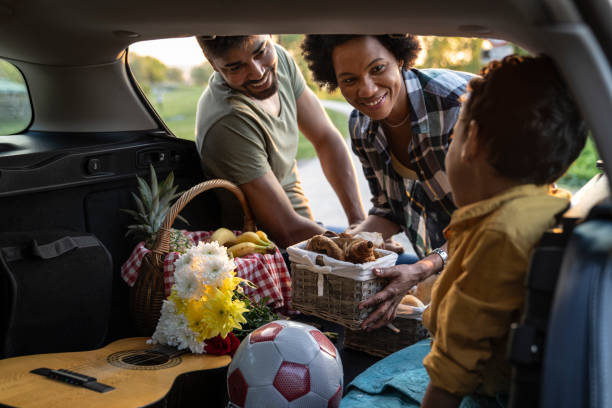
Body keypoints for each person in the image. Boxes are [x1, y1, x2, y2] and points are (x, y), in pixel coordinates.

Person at [340, 54, 587, 407]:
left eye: (454, 135)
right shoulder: (546, 206)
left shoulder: (496, 237)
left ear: (471, 141)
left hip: (483, 391)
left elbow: (453, 367)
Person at [302, 34, 473, 293]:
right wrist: (345, 246)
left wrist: (422, 268)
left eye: (377, 69)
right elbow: (388, 209)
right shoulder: (361, 127)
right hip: (450, 269)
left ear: (400, 57)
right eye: (350, 79)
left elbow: (488, 216)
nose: (367, 90)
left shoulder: (454, 107)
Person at [194, 35, 366, 248]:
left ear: (270, 37)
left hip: (310, 230)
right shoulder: (228, 121)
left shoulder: (280, 60)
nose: (258, 72)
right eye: (236, 67)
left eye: (260, 52)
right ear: (214, 66)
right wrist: (361, 247)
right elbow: (287, 231)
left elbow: (325, 138)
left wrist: (359, 223)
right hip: (270, 253)